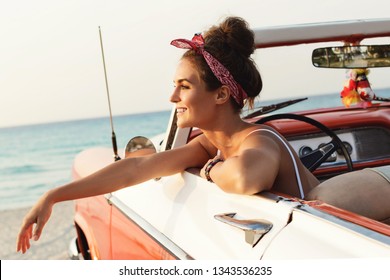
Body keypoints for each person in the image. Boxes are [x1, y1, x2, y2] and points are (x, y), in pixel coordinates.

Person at [16, 16, 320, 254]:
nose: (173, 97)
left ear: (221, 94)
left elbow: (245, 178)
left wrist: (211, 169)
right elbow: (136, 168)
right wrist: (53, 196)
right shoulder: (209, 143)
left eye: (184, 86)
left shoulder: (259, 139)